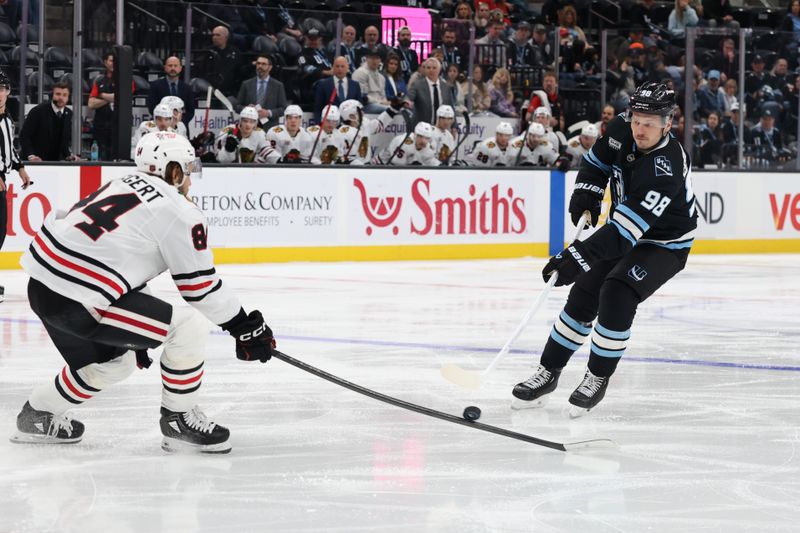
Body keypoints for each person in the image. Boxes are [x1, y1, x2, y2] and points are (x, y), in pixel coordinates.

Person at [12, 131, 276, 452]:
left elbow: (113, 256)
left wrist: (134, 329)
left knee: (115, 364)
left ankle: (38, 414)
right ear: (173, 171)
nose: (190, 180)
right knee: (187, 325)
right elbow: (199, 287)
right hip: (83, 298)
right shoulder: (178, 210)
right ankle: (178, 419)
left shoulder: (122, 182)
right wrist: (244, 327)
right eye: (187, 171)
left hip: (43, 287)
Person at [511, 82, 697, 416]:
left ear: (668, 124)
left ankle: (597, 376)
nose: (640, 129)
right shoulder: (620, 129)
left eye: (650, 123)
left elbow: (624, 235)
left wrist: (576, 257)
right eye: (637, 119)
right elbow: (597, 163)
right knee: (584, 293)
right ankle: (548, 371)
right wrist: (587, 191)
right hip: (623, 230)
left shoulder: (664, 168)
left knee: (616, 292)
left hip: (663, 244)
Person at [0, 70, 33, 304]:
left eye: (3, 89)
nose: (0, 94)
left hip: (2, 178)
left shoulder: (8, 119)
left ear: (9, 92)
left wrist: (20, 169)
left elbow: (10, 149)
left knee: (0, 231)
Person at [20, 81, 76, 162]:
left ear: (68, 98)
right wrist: (31, 156)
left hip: (54, 162)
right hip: (34, 161)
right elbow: (24, 136)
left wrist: (68, 155)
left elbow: (64, 140)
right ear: (52, 95)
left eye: (64, 95)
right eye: (58, 94)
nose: (61, 98)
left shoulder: (69, 113)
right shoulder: (38, 111)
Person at [337, 99, 403, 165]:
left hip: (365, 166)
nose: (363, 113)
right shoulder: (345, 133)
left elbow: (379, 124)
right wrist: (363, 168)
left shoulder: (363, 123)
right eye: (359, 111)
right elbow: (349, 158)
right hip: (353, 169)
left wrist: (392, 109)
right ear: (351, 116)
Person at [235, 54, 287, 131]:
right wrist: (247, 109)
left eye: (263, 64)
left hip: (270, 128)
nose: (260, 66)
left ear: (270, 67)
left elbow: (283, 108)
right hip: (249, 128)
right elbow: (237, 106)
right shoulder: (246, 84)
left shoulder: (278, 86)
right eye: (258, 63)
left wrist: (268, 113)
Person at [147, 56, 195, 130]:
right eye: (170, 65)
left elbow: (191, 111)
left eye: (175, 66)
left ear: (180, 68)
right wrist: (165, 121)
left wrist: (178, 122)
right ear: (165, 67)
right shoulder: (155, 86)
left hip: (180, 129)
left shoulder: (187, 88)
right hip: (160, 128)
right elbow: (152, 107)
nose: (173, 68)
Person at [406, 58, 454, 126]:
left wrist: (454, 126)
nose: (431, 70)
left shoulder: (445, 87)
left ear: (439, 70)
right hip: (422, 126)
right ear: (425, 69)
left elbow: (451, 106)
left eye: (434, 68)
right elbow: (409, 97)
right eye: (428, 68)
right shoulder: (417, 84)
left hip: (441, 127)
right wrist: (408, 101)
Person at [314, 56, 362, 123]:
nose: (340, 69)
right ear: (333, 67)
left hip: (350, 124)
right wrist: (319, 124)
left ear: (347, 68)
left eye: (342, 66)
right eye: (337, 66)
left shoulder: (355, 85)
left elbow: (359, 107)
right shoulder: (323, 84)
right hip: (330, 123)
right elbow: (318, 108)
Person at [88, 51, 116, 161]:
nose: (113, 63)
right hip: (101, 125)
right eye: (111, 60)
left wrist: (102, 95)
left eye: (115, 61)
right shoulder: (99, 80)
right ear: (105, 62)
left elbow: (123, 97)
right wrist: (110, 98)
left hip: (117, 126)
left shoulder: (126, 80)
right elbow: (91, 103)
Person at [353, 49, 389, 114]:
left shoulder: (381, 77)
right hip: (365, 105)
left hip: (380, 104)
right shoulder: (360, 73)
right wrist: (380, 102)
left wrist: (385, 102)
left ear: (380, 60)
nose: (374, 61)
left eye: (377, 58)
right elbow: (362, 97)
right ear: (366, 59)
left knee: (398, 109)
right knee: (388, 109)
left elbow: (383, 96)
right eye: (372, 58)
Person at [208, 26, 241, 97]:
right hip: (211, 89)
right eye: (213, 35)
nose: (214, 37)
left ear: (226, 37)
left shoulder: (235, 52)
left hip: (230, 91)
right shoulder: (208, 52)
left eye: (217, 35)